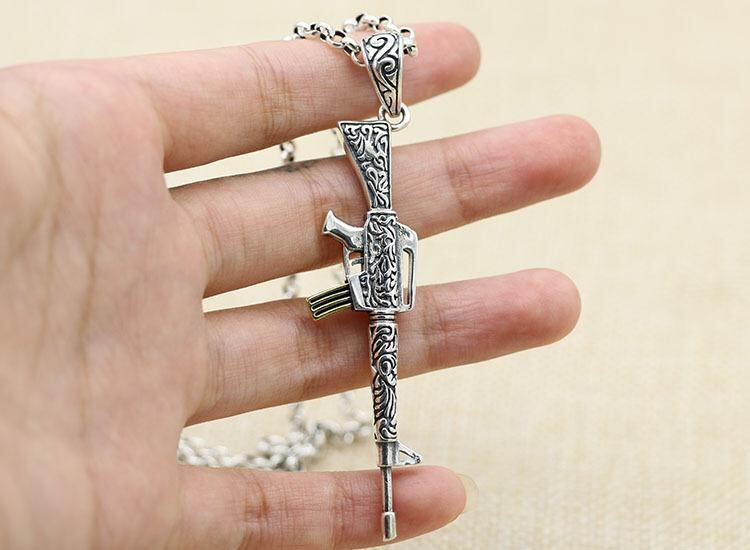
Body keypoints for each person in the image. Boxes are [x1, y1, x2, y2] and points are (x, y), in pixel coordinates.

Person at [0, 22, 600, 548]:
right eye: (373, 158)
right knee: (380, 365)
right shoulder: (381, 220)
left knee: (387, 368)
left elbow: (400, 252)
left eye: (372, 158)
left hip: (381, 295)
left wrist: (386, 282)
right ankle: (389, 452)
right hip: (375, 292)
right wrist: (357, 261)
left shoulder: (391, 224)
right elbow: (369, 242)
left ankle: (390, 450)